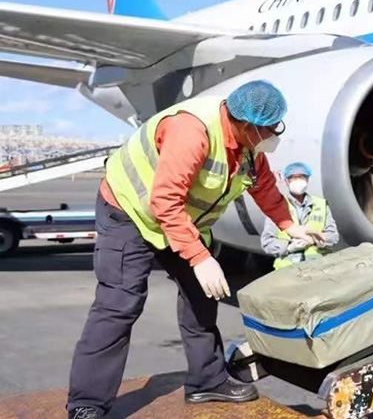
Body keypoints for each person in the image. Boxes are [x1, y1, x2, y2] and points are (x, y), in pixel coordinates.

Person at [66, 81, 325, 419]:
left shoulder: (248, 146)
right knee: (119, 304)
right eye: (270, 128)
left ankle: (207, 381)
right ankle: (87, 403)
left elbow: (264, 187)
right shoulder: (192, 131)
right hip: (129, 211)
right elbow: (164, 201)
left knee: (202, 297)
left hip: (180, 219)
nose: (274, 134)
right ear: (246, 124)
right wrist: (200, 258)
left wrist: (290, 225)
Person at [261, 161, 339, 268]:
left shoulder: (321, 204)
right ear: (286, 181)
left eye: (301, 177)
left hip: (319, 268)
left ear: (307, 180)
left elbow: (333, 235)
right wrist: (289, 247)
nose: (298, 181)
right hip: (288, 271)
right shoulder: (277, 207)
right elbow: (267, 242)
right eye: (293, 178)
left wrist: (314, 241)